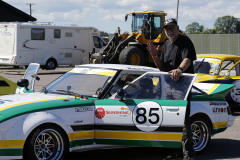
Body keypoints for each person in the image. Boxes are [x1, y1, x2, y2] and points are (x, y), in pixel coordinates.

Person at [147, 18, 196, 160]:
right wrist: (154, 56)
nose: (170, 31)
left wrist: (179, 69)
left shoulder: (185, 41)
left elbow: (188, 59)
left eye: (172, 28)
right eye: (167, 29)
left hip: (182, 87)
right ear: (164, 30)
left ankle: (189, 155)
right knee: (169, 120)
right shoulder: (166, 44)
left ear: (177, 28)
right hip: (168, 87)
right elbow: (162, 67)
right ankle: (175, 152)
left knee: (183, 121)